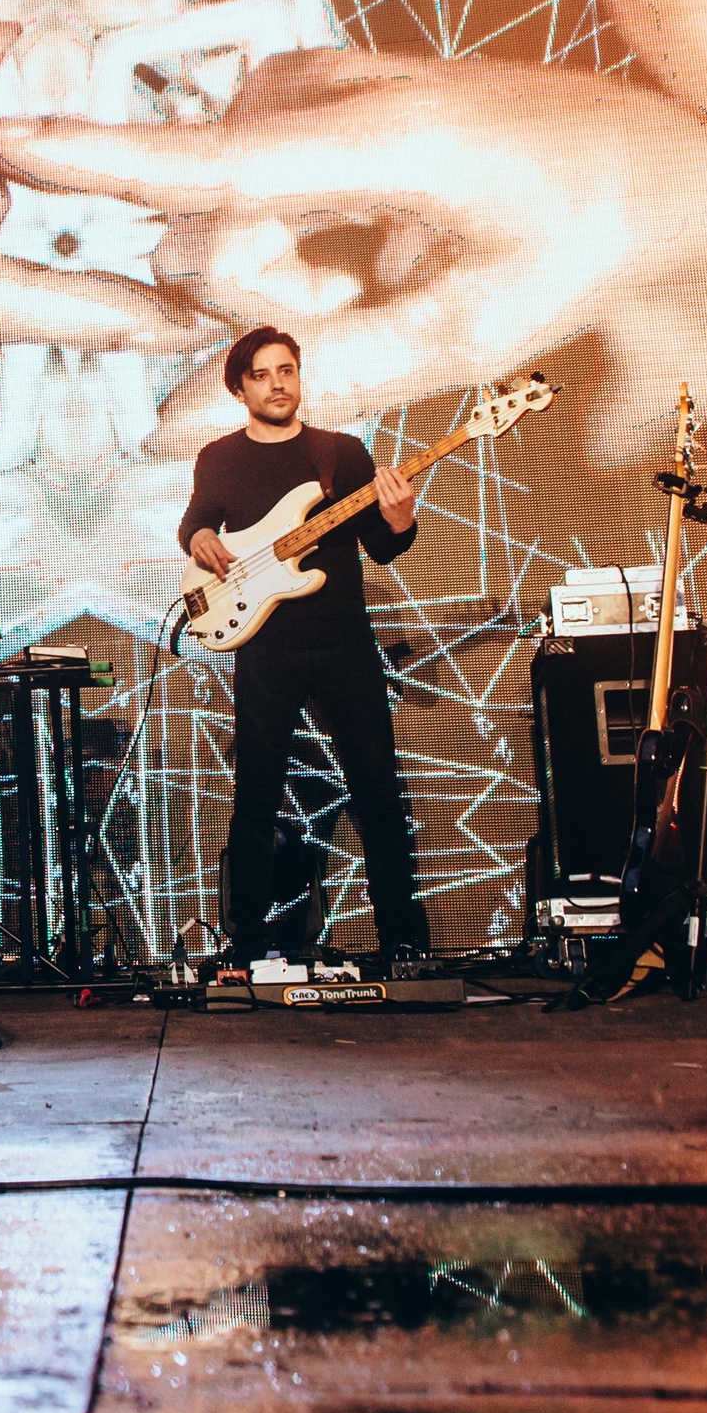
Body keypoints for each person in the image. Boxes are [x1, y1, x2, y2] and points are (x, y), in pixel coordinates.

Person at [176, 326, 426, 968]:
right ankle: (245, 945)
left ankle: (403, 941)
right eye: (261, 375)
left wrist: (400, 518)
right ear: (239, 389)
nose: (277, 384)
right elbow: (196, 521)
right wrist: (199, 536)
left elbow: (383, 546)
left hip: (345, 643)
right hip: (266, 646)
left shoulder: (340, 453)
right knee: (257, 798)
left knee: (377, 792)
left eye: (285, 370)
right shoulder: (219, 458)